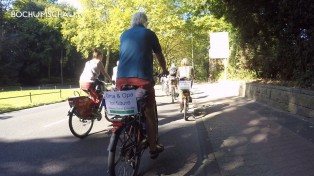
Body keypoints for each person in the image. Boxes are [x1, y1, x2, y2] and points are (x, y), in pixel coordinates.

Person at [116, 12, 168, 159]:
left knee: (129, 111)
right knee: (149, 113)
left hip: (121, 79)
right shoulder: (149, 33)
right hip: (142, 80)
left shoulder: (123, 34)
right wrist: (164, 70)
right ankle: (153, 147)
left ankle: (130, 131)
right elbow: (159, 56)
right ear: (145, 22)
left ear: (132, 21)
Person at [79, 48, 112, 118]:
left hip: (82, 82)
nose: (102, 58)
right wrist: (111, 81)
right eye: (102, 56)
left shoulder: (87, 62)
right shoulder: (98, 62)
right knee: (99, 96)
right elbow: (105, 73)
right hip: (89, 82)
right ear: (99, 56)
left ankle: (89, 111)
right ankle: (95, 111)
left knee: (93, 97)